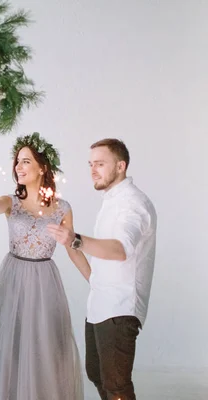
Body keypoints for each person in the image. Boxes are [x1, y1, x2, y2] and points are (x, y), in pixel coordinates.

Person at [47, 138, 157, 400]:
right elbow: (100, 257)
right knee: (97, 374)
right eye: (90, 164)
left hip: (120, 308)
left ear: (121, 166)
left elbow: (120, 249)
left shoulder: (132, 203)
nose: (93, 170)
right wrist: (72, 245)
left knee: (116, 383)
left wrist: (76, 240)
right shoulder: (111, 200)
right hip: (100, 304)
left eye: (100, 163)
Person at [0, 132, 84, 399]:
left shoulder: (63, 208)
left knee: (46, 343)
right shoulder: (12, 202)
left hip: (44, 279)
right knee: (13, 342)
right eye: (17, 162)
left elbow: (72, 248)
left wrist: (95, 280)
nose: (19, 167)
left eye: (26, 161)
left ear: (42, 167)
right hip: (14, 277)